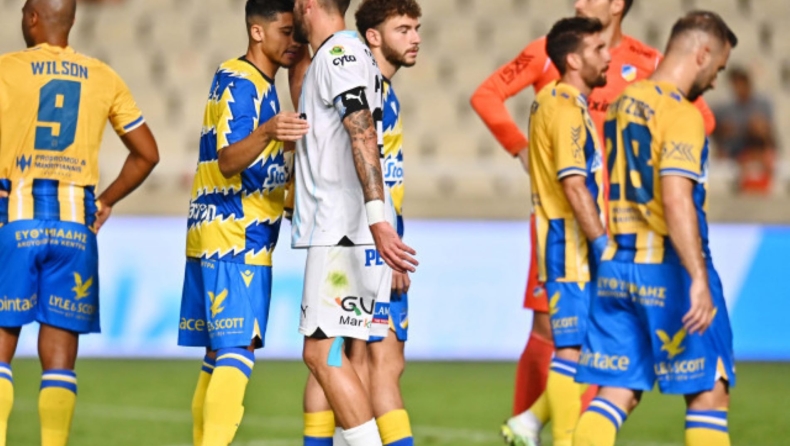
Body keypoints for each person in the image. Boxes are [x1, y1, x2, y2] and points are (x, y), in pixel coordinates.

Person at [470, 0, 717, 438]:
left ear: (617, 5)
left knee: (601, 332)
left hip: (621, 221)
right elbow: (486, 95)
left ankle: (536, 423)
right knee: (551, 328)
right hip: (567, 219)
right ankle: (534, 423)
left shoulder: (647, 62)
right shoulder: (551, 52)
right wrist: (520, 148)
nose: (578, 2)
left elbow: (703, 118)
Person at [574, 11, 738, 446]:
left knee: (616, 393)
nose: (715, 81)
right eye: (718, 67)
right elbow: (675, 196)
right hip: (669, 268)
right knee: (708, 395)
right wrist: (698, 277)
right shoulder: (682, 114)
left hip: (619, 266)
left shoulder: (623, 103)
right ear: (702, 53)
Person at [0, 0, 160, 445]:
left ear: (33, 18)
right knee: (59, 362)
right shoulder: (103, 76)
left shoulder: (6, 69)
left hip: (15, 221)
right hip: (75, 227)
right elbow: (148, 154)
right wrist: (105, 200)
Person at [177, 1, 308, 445]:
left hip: (219, 234)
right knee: (238, 351)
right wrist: (270, 132)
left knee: (218, 356)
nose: (293, 43)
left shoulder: (256, 84)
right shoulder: (242, 80)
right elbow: (229, 159)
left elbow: (252, 156)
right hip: (235, 238)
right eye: (286, 32)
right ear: (257, 32)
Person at [291, 0, 418, 444]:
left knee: (322, 352)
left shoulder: (339, 54)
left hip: (342, 228)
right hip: (352, 228)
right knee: (345, 353)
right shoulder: (355, 54)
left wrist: (379, 219)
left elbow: (361, 127)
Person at [507, 16, 611, 446]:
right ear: (573, 60)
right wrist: (602, 244)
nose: (607, 56)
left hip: (563, 242)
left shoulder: (551, 100)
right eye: (598, 49)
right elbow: (573, 184)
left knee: (581, 347)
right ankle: (563, 438)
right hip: (570, 245)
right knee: (570, 349)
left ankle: (531, 422)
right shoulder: (566, 109)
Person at [712, 67, 777, 193]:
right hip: (736, 152)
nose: (738, 89)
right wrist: (722, 134)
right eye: (735, 85)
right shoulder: (725, 109)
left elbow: (766, 131)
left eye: (740, 84)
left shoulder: (763, 105)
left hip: (758, 149)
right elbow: (713, 127)